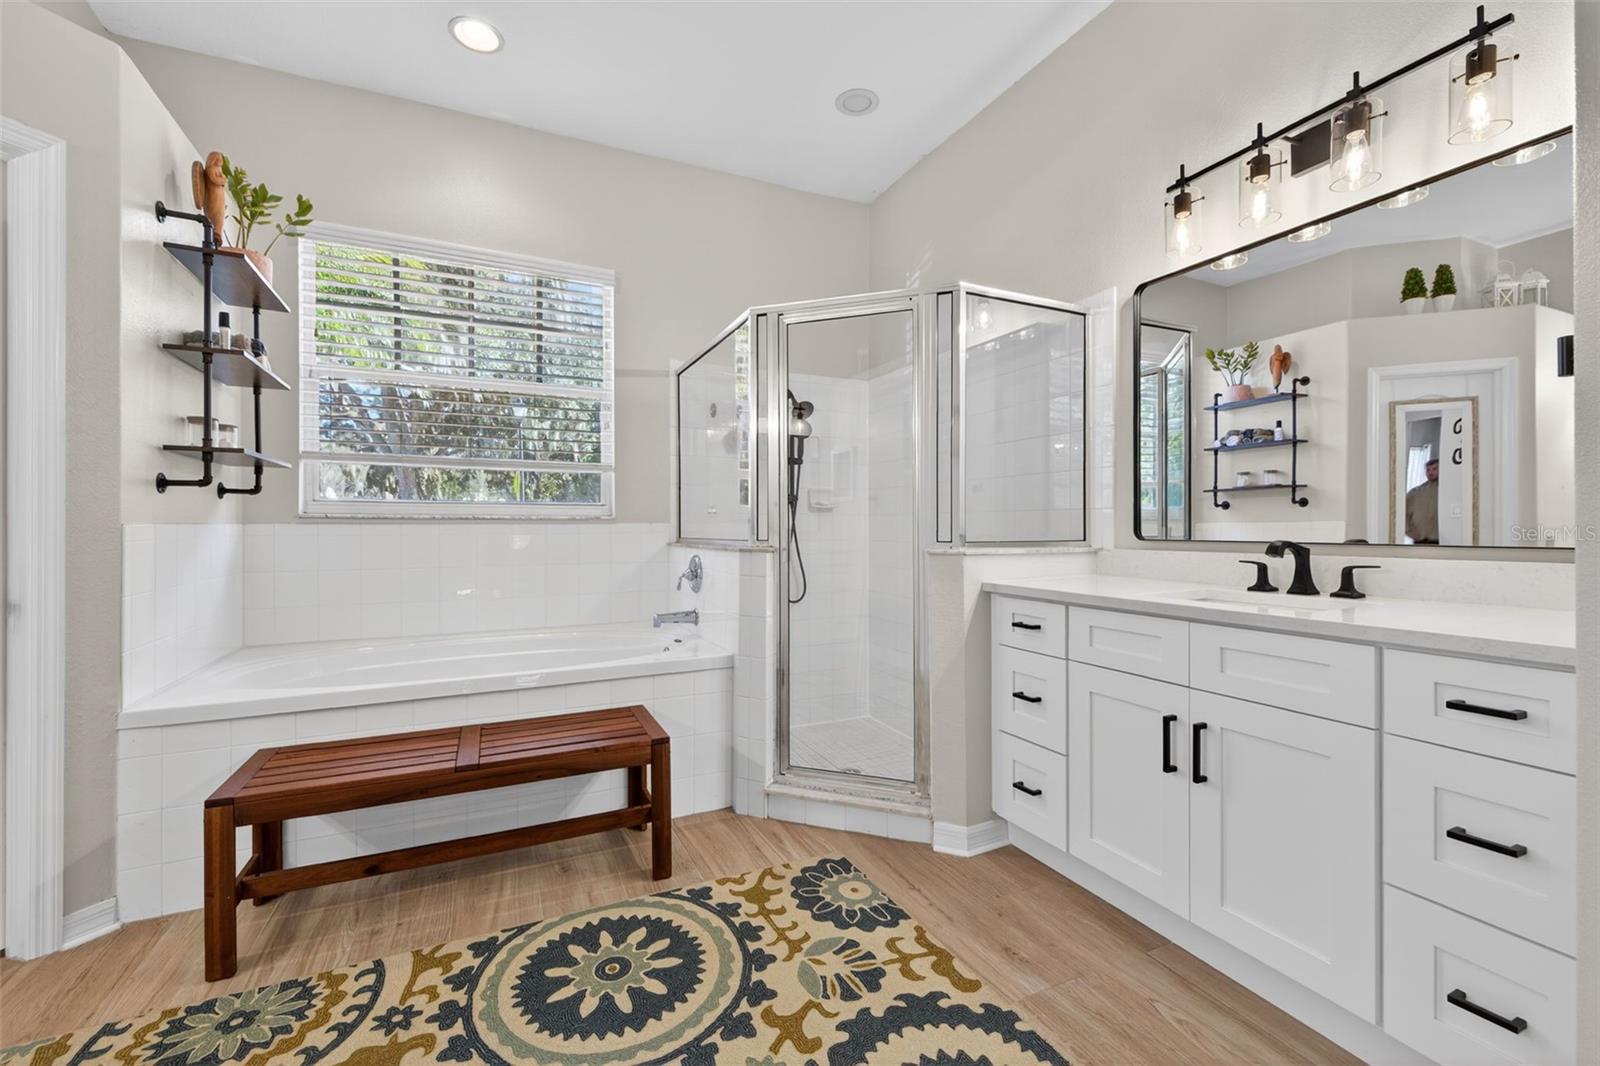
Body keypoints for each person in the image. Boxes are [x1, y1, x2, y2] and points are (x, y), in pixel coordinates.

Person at [1405, 458, 1440, 544]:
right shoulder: (1415, 492)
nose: (1430, 472)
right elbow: (1403, 513)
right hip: (1420, 539)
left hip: (1441, 540)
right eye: (1428, 470)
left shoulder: (1448, 491)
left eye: (1434, 469)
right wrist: (1408, 531)